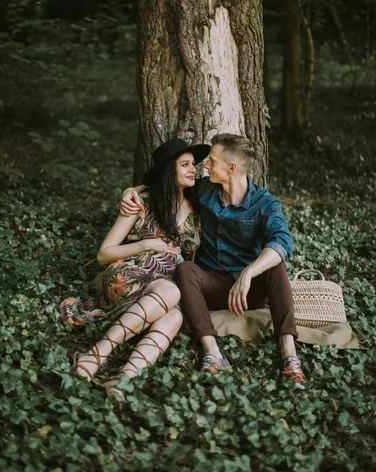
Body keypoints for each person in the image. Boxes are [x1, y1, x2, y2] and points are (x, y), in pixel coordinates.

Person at [121, 133, 307, 387]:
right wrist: (132, 191)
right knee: (186, 269)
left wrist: (248, 273)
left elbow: (282, 241)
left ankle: (289, 354)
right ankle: (212, 352)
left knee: (276, 266)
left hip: (248, 290)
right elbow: (167, 183)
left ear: (231, 168)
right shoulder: (206, 190)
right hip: (211, 285)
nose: (204, 167)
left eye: (212, 161)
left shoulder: (265, 204)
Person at [60, 138, 210, 393]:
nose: (192, 169)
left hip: (163, 289)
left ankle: (125, 378)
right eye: (184, 164)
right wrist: (147, 244)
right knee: (172, 293)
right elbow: (103, 254)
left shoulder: (197, 206)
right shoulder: (140, 203)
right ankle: (98, 353)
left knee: (175, 315)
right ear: (167, 172)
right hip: (129, 275)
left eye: (193, 164)